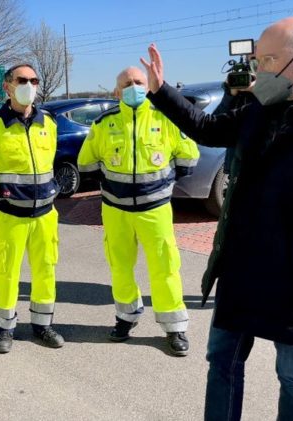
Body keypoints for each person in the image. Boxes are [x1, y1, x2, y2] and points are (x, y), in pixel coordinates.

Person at [141, 17, 293, 420]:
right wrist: (161, 91)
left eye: (268, 60)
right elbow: (208, 128)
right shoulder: (261, 106)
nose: (259, 71)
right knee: (222, 363)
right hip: (240, 274)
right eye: (257, 61)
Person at [77, 66, 199, 356]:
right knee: (120, 267)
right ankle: (126, 317)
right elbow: (87, 163)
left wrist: (162, 184)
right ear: (117, 92)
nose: (133, 87)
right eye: (127, 83)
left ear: (148, 86)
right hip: (115, 210)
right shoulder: (103, 123)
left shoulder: (165, 117)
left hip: (155, 209)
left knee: (165, 267)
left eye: (139, 82)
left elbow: (188, 157)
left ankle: (174, 326)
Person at [0, 64, 65, 354]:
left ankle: (43, 325)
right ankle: (4, 328)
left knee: (46, 271)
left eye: (34, 80)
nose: (29, 86)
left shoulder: (48, 123)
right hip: (8, 217)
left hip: (45, 215)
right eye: (22, 80)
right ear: (7, 86)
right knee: (6, 274)